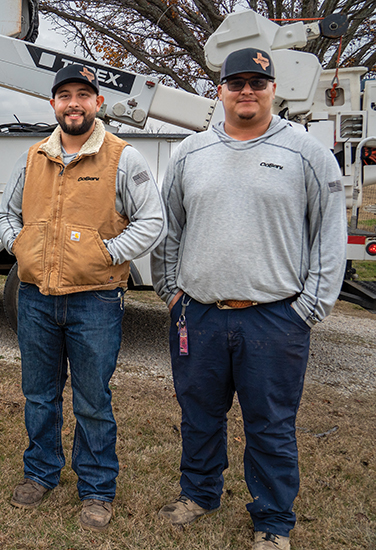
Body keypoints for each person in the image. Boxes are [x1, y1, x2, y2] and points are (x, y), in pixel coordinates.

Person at [150, 48, 346, 550]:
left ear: (273, 89)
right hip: (200, 316)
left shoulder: (307, 153)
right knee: (198, 414)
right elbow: (169, 231)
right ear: (219, 90)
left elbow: (328, 234)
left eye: (257, 83)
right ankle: (198, 493)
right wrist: (171, 293)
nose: (246, 91)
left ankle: (273, 520)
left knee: (271, 425)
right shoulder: (190, 153)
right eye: (236, 82)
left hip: (276, 319)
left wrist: (310, 307)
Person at [0, 63, 165, 530]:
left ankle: (96, 489)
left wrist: (107, 253)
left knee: (92, 399)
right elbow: (4, 213)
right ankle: (41, 473)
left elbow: (152, 220)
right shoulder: (32, 157)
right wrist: (19, 245)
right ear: (53, 104)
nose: (74, 103)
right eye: (65, 95)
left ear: (98, 103)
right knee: (39, 395)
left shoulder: (123, 158)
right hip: (35, 298)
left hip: (97, 301)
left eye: (83, 95)